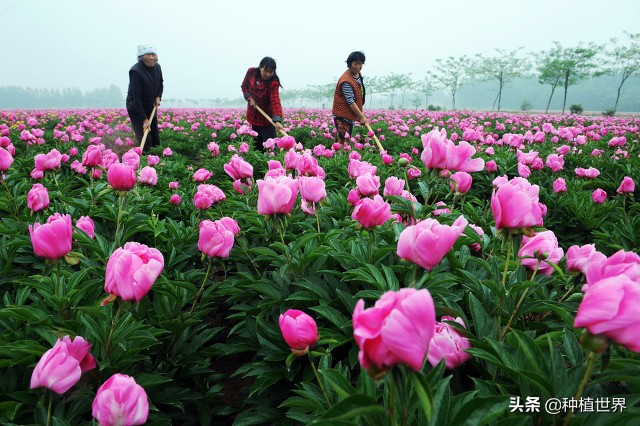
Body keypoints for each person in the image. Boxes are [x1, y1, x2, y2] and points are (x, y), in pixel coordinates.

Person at [241, 57, 284, 151]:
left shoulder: (273, 83)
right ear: (260, 67)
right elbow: (244, 87)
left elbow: (275, 101)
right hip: (254, 115)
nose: (268, 74)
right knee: (257, 147)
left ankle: (273, 164)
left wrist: (277, 121)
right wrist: (250, 98)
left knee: (270, 148)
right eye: (266, 71)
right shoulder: (251, 72)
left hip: (267, 120)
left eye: (271, 72)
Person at [126, 44, 163, 152]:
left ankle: (157, 159)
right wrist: (144, 119)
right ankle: (146, 161)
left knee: (155, 136)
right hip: (136, 107)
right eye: (148, 55)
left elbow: (160, 83)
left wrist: (158, 96)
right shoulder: (136, 71)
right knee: (145, 138)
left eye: (153, 55)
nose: (151, 58)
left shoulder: (157, 67)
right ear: (141, 57)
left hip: (150, 104)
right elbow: (137, 98)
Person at [332, 51, 368, 143]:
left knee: (346, 140)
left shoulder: (357, 74)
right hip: (342, 115)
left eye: (360, 64)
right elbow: (350, 101)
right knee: (343, 142)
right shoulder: (346, 81)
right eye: (355, 63)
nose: (358, 66)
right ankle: (340, 156)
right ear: (349, 63)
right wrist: (361, 117)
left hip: (349, 114)